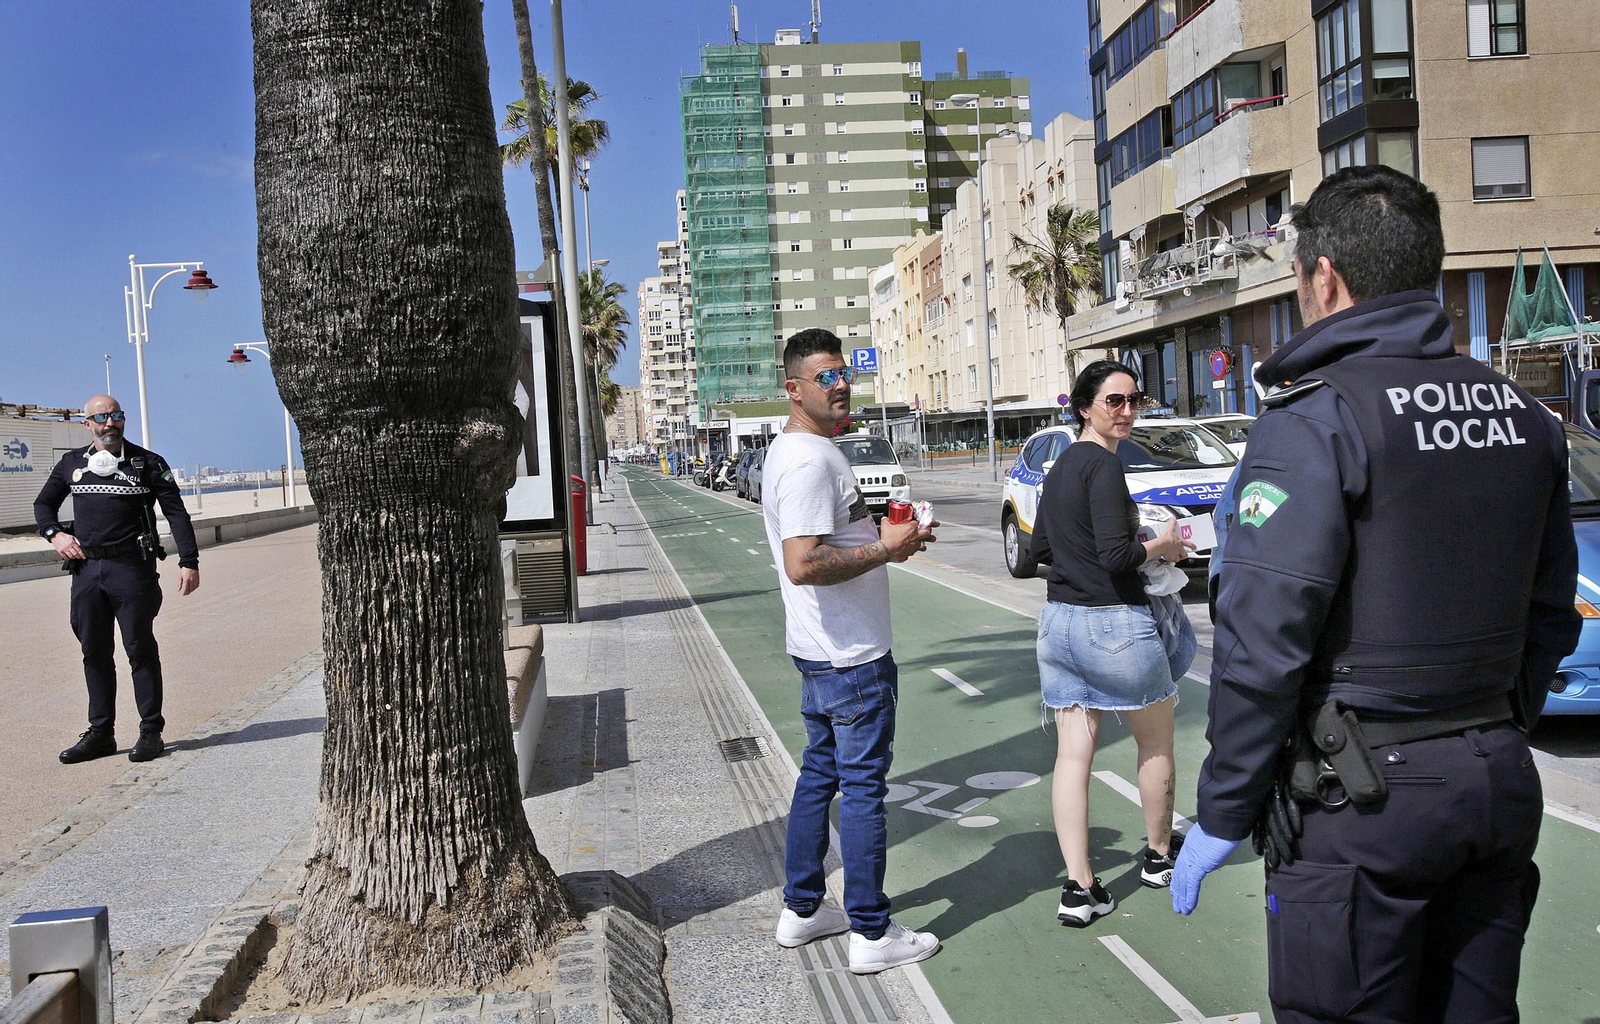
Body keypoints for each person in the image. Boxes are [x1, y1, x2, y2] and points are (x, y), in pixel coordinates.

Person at [1171, 166, 1581, 1024]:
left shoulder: (1314, 421)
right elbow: (1551, 613)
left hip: (1361, 797)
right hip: (1496, 778)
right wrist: (1493, 726)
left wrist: (1223, 806)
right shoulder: (1524, 418)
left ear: (1324, 278)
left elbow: (1261, 642)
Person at [760, 328, 941, 975]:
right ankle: (870, 931)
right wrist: (888, 549)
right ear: (794, 388)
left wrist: (894, 538)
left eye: (843, 373)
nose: (841, 385)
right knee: (861, 787)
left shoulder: (795, 451)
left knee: (822, 777)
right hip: (851, 657)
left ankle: (803, 911)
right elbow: (805, 562)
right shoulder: (810, 459)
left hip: (820, 651)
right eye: (825, 376)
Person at [1029, 360, 1197, 925]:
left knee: (1073, 757)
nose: (1126, 411)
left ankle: (1078, 888)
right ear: (1086, 407)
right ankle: (1156, 856)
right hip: (1114, 626)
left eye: (1133, 400)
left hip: (1059, 625)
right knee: (1155, 745)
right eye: (1114, 402)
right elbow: (1117, 558)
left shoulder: (1057, 468)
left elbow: (1038, 551)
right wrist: (1163, 546)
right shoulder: (1102, 466)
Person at [34, 395, 201, 765]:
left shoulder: (148, 463)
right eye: (102, 417)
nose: (110, 423)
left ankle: (150, 731)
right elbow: (43, 505)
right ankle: (100, 734)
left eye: (116, 416)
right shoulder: (71, 464)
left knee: (139, 649)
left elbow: (176, 513)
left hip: (132, 571)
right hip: (87, 573)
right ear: (87, 423)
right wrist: (55, 535)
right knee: (93, 652)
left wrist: (189, 561)